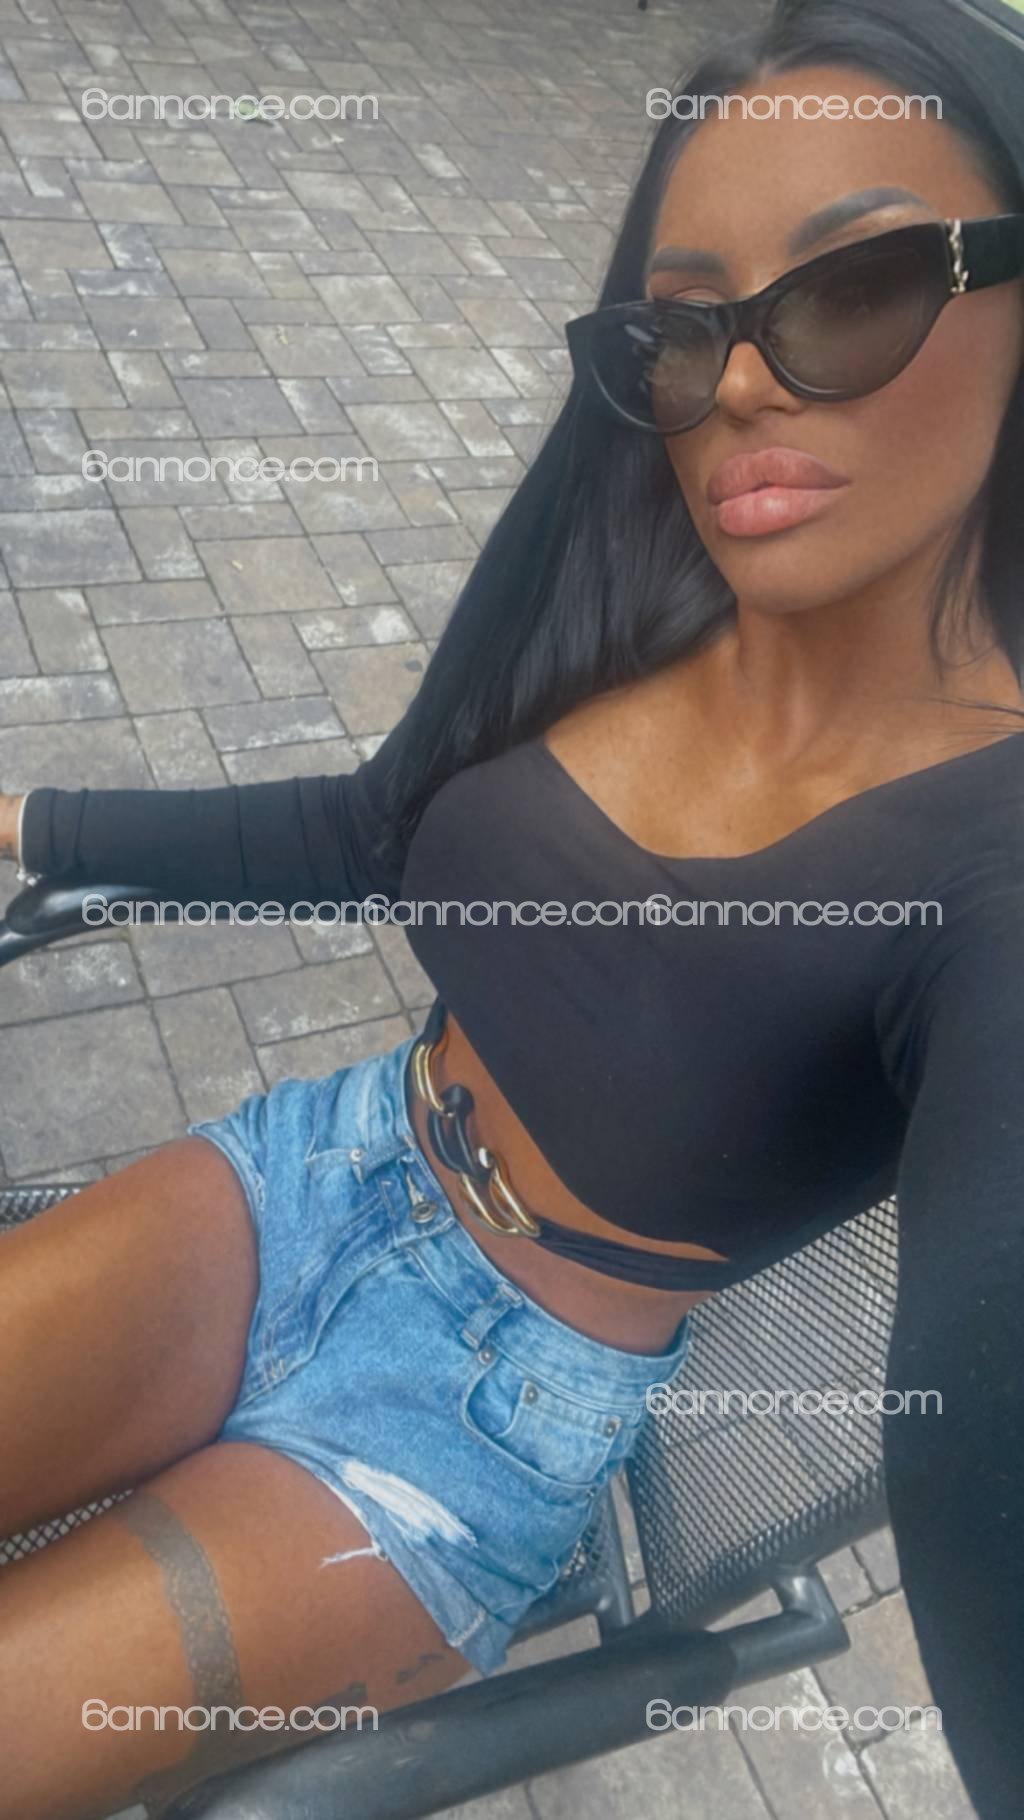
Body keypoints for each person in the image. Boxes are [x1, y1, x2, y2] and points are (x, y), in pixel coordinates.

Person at [2, 0, 1023, 1813]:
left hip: (473, 1422)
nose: (738, 385)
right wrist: (27, 819)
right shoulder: (632, 572)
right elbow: (372, 827)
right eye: (681, 324)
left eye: (855, 287)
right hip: (316, 1171)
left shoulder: (995, 856)